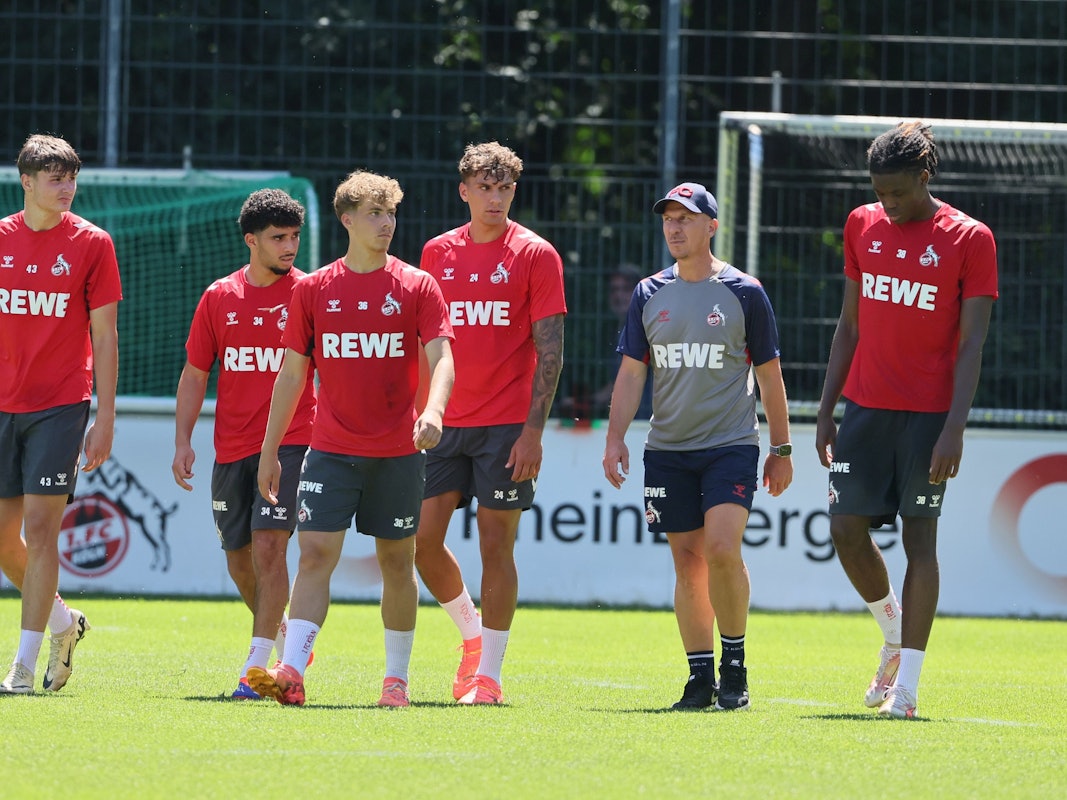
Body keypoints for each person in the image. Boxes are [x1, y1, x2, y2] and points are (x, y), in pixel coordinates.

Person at [246, 170, 454, 708]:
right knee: (314, 555)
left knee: (396, 562)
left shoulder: (417, 285)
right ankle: (292, 668)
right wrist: (269, 451)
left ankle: (396, 681)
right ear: (347, 220)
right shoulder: (314, 289)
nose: (386, 224)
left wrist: (433, 409)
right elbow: (291, 375)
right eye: (374, 214)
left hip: (398, 453)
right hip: (331, 451)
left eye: (391, 214)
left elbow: (443, 357)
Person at [815, 121, 998, 720]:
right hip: (865, 408)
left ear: (925, 177)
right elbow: (849, 326)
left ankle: (909, 687)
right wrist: (825, 410)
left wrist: (955, 427)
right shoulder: (861, 224)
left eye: (898, 192)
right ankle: (891, 633)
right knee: (845, 529)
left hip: (928, 418)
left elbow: (971, 345)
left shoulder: (971, 239)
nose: (887, 203)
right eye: (879, 192)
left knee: (921, 540)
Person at [602, 181, 792, 712]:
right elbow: (631, 376)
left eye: (686, 218)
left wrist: (783, 447)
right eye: (668, 219)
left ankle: (736, 668)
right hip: (667, 449)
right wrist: (615, 437)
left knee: (722, 549)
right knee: (687, 563)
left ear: (711, 225)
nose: (675, 228)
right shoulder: (647, 293)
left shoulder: (744, 292)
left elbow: (771, 377)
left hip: (730, 444)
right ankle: (698, 677)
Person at [415, 141, 566, 705]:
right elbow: (423, 342)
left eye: (504, 188)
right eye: (484, 186)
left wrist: (533, 432)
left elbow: (550, 349)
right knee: (421, 543)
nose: (495, 197)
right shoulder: (435, 253)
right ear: (464, 190)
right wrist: (419, 410)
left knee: (495, 548)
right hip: (443, 421)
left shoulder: (535, 254)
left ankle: (490, 677)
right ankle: (471, 637)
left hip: (507, 425)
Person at [171, 188, 316, 699]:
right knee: (240, 559)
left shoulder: (309, 293)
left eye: (295, 236)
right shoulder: (219, 297)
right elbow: (194, 374)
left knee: (272, 549)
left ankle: (255, 672)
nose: (290, 247)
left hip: (293, 443)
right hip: (230, 449)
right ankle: (288, 639)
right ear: (251, 240)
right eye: (279, 238)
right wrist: (183, 440)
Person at [0, 134, 122, 694]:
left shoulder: (94, 243)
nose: (67, 188)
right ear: (26, 182)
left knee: (42, 532)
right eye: (55, 178)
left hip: (60, 406)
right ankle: (63, 622)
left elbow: (104, 333)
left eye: (72, 178)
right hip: (3, 404)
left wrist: (105, 417)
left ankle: (23, 667)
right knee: (4, 542)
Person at [559, 264, 653, 420]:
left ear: (640, 292)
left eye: (626, 289)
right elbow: (618, 382)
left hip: (648, 419)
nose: (618, 295)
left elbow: (630, 378)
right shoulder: (621, 329)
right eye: (614, 290)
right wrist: (586, 402)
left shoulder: (648, 326)